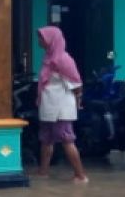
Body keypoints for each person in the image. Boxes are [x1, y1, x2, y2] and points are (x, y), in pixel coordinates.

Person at [36, 25, 89, 183]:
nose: (40, 41)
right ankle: (43, 171)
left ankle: (80, 175)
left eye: (42, 38)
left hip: (60, 108)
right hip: (48, 106)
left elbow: (76, 84)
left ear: (51, 40)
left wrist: (78, 101)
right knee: (46, 139)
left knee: (66, 139)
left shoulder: (63, 59)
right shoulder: (48, 58)